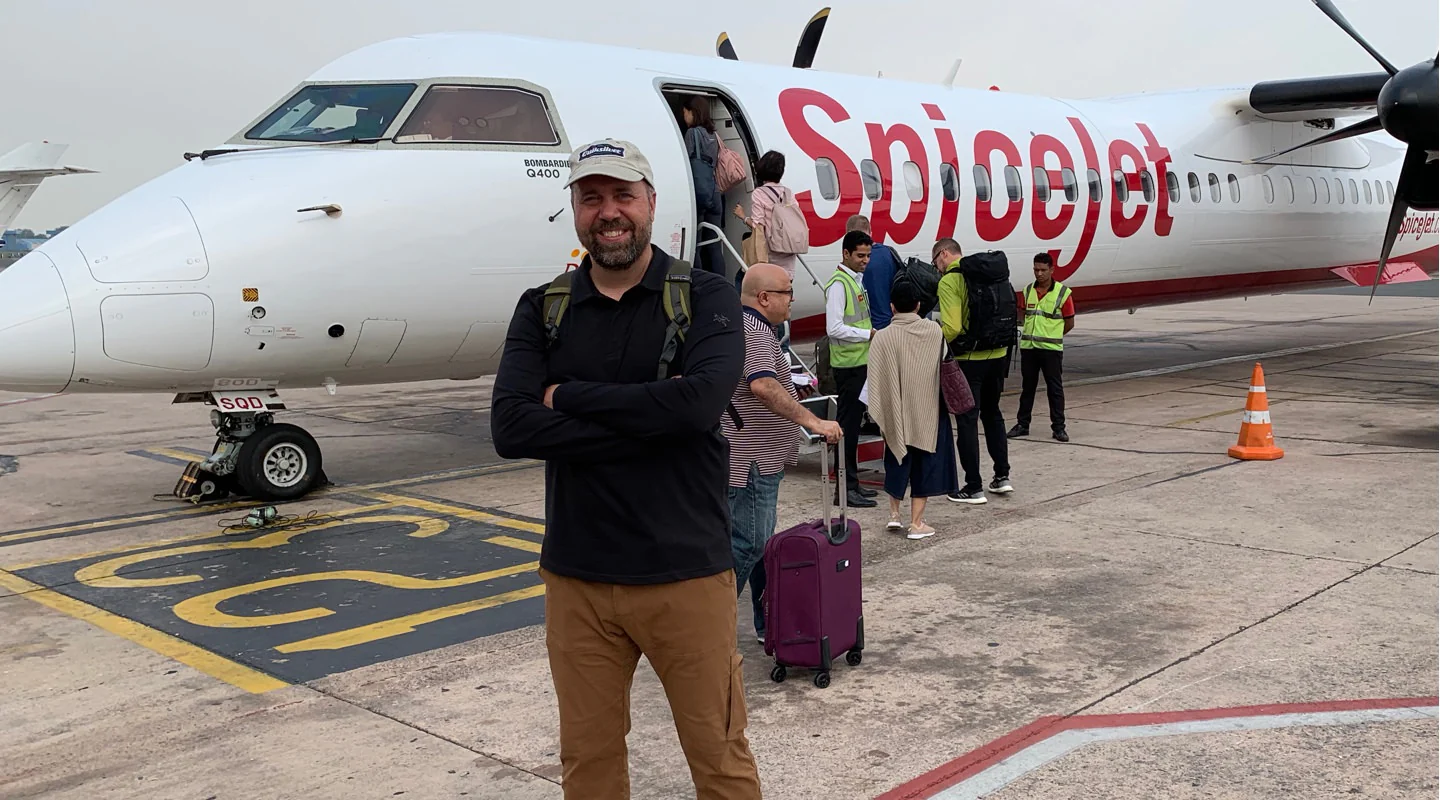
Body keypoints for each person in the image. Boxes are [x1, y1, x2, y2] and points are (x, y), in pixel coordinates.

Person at [489, 137, 760, 800]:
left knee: (719, 758)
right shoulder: (543, 307)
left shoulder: (707, 296)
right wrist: (652, 417)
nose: (608, 212)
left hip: (685, 576)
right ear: (576, 211)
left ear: (651, 203)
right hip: (577, 580)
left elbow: (698, 407)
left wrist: (567, 397)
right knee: (588, 763)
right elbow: (511, 428)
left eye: (622, 195)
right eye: (591, 198)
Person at [723, 262, 842, 643]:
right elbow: (761, 386)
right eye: (787, 292)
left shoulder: (748, 326)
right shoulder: (757, 332)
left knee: (759, 544)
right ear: (764, 298)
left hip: (755, 457)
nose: (792, 299)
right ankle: (708, 623)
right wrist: (813, 421)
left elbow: (761, 381)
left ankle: (767, 622)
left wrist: (790, 387)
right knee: (749, 543)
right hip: (752, 461)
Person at [865, 277, 959, 538]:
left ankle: (894, 515)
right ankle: (917, 523)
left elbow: (875, 379)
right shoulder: (934, 331)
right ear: (918, 305)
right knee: (925, 463)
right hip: (928, 410)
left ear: (892, 306)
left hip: (895, 410)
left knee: (896, 457)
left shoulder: (882, 337)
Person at [932, 238, 1014, 505]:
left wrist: (932, 340)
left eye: (935, 262)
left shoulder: (950, 281)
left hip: (969, 359)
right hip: (999, 354)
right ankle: (1002, 476)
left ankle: (973, 486)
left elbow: (953, 327)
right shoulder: (992, 273)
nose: (937, 268)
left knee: (967, 420)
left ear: (944, 254)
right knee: (993, 414)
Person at [824, 229, 879, 508]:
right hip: (848, 366)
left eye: (868, 255)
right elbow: (833, 328)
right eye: (860, 255)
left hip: (859, 363)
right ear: (845, 254)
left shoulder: (855, 281)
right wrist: (867, 335)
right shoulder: (838, 285)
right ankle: (845, 489)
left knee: (854, 428)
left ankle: (852, 484)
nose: (865, 260)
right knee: (847, 428)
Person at [1010, 252, 1075, 442]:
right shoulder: (1028, 291)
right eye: (1036, 269)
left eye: (1043, 270)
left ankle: (1059, 427)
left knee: (1055, 389)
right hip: (1029, 349)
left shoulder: (1062, 293)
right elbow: (1024, 315)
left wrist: (1052, 335)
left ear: (1051, 270)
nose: (1039, 273)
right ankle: (1023, 424)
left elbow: (1069, 322)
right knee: (1027, 388)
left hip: (1050, 350)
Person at [732, 150, 799, 278]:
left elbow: (758, 226)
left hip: (770, 258)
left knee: (740, 279)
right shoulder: (789, 194)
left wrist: (743, 217)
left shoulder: (759, 193)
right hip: (788, 262)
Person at [683, 96, 724, 276]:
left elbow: (685, 161)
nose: (684, 117)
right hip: (714, 192)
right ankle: (721, 283)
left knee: (696, 245)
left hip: (699, 192)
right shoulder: (713, 135)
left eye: (685, 112)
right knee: (714, 245)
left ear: (693, 112)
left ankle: (699, 283)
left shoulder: (692, 133)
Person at [849, 215, 903, 330]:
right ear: (871, 233)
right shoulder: (889, 252)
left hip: (871, 327)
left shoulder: (855, 261)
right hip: (894, 322)